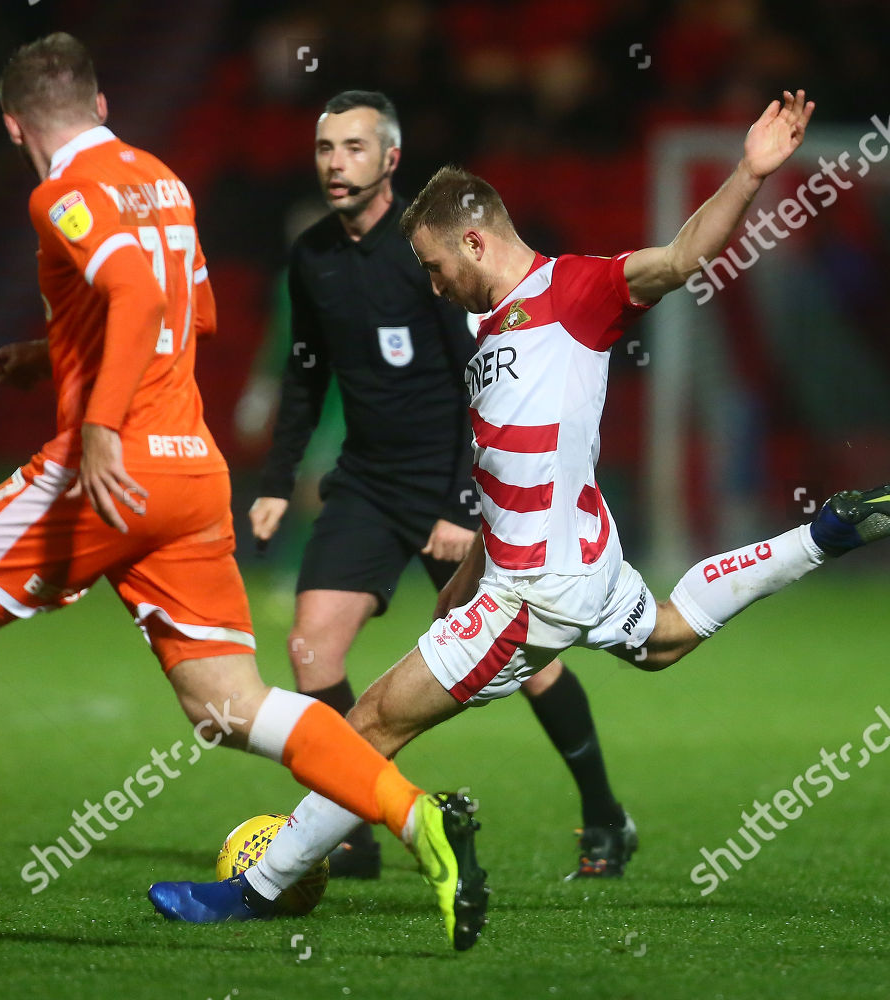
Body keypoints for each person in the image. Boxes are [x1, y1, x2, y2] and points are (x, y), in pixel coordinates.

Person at [148, 90, 890, 936]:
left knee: (369, 725)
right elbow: (506, 481)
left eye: (437, 266)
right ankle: (819, 538)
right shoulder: (489, 336)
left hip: (534, 593)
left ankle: (256, 891)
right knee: (666, 637)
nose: (435, 285)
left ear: (475, 240)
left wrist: (748, 173)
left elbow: (676, 259)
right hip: (580, 565)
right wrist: (464, 575)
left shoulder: (579, 291)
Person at [0, 32, 487, 952]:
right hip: (190, 471)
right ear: (101, 106)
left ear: (15, 124)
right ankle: (420, 822)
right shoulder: (161, 179)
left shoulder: (58, 192)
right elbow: (199, 311)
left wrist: (96, 422)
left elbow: (136, 296)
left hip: (111, 467)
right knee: (230, 703)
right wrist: (51, 354)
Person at [250, 90, 636, 880]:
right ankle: (350, 829)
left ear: (391, 159)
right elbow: (305, 375)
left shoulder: (425, 258)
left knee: (537, 666)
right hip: (366, 481)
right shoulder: (312, 256)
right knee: (309, 647)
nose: (335, 162)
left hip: (450, 486)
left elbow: (482, 382)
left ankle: (603, 812)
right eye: (325, 147)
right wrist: (277, 479)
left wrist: (466, 504)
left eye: (354, 147)